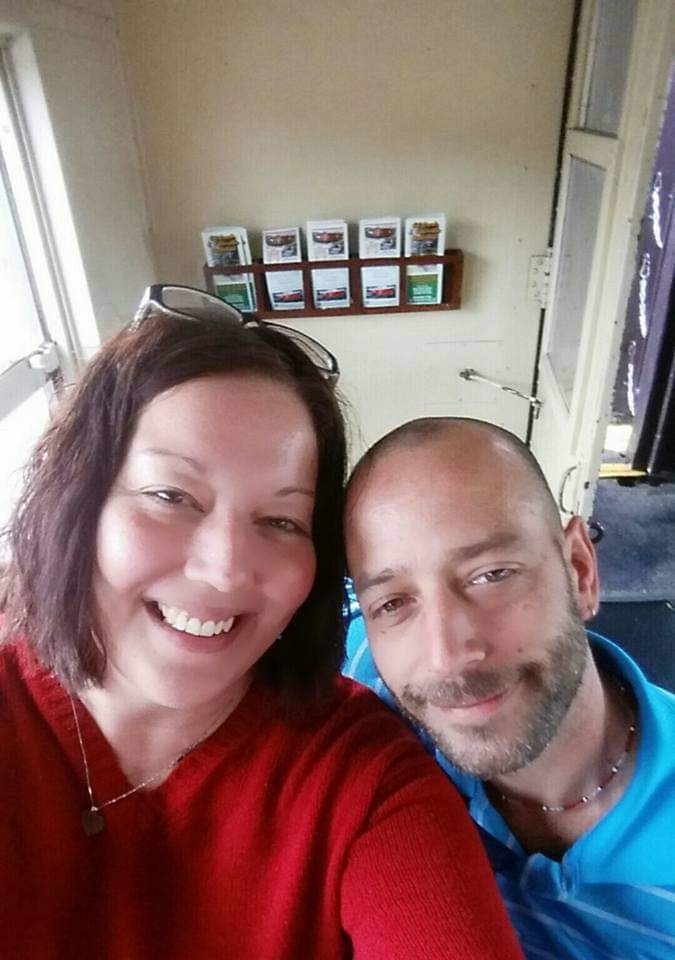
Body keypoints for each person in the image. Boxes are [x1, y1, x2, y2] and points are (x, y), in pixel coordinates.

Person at [0, 290, 523, 960]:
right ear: (79, 498)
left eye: (280, 521)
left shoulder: (364, 779)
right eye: (170, 496)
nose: (224, 570)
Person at [344, 416, 675, 960]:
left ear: (579, 571)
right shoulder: (368, 683)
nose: (446, 657)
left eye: (491, 575)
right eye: (395, 602)